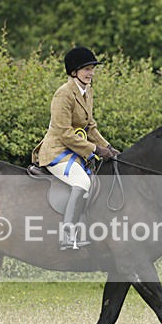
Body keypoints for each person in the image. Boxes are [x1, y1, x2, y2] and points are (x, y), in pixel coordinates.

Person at [31, 46, 120, 250]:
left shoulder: (87, 91)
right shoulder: (64, 94)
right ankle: (67, 235)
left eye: (92, 69)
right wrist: (96, 150)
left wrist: (109, 148)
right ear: (74, 72)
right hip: (56, 152)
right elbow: (64, 132)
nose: (90, 73)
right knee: (82, 181)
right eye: (86, 69)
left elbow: (90, 127)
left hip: (73, 152)